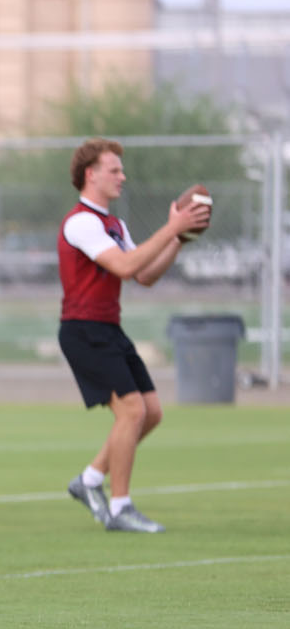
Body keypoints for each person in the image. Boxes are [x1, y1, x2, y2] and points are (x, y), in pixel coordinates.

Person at [57, 138, 211, 533]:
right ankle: (120, 508)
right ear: (91, 175)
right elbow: (125, 266)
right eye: (114, 170)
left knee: (151, 412)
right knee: (132, 411)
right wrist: (171, 226)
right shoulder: (81, 222)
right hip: (84, 330)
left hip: (108, 328)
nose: (122, 176)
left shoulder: (115, 225)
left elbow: (144, 275)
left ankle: (90, 480)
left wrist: (177, 240)